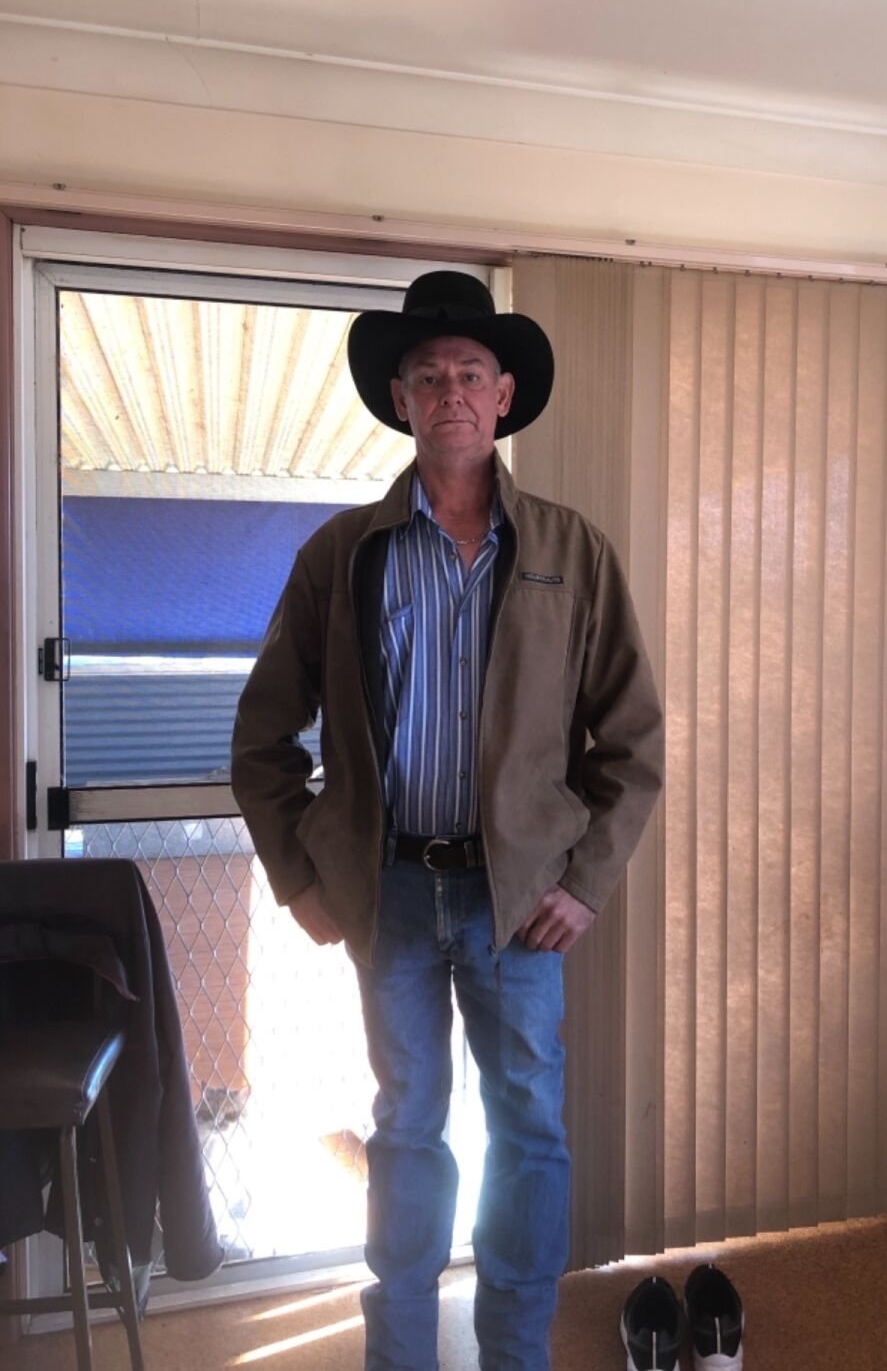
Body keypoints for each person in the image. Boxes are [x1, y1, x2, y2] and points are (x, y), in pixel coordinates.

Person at [231, 270, 663, 1371]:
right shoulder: (341, 556)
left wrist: (585, 882)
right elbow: (263, 737)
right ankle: (403, 1357)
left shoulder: (572, 552)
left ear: (504, 396)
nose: (452, 392)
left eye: (472, 373)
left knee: (528, 1134)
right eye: (429, 376)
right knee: (408, 1130)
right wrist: (300, 878)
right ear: (401, 399)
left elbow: (631, 740)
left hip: (520, 905)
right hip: (389, 895)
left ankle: (515, 1355)